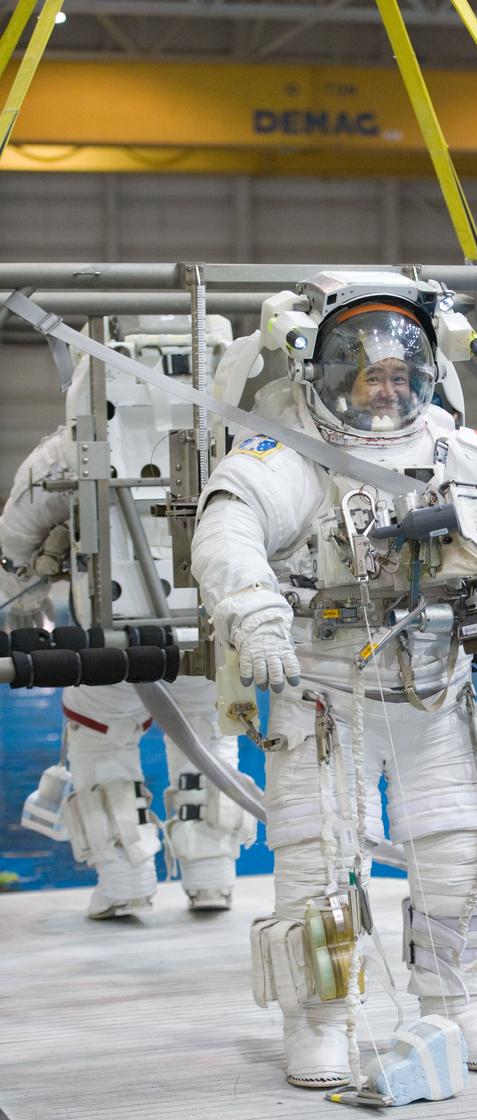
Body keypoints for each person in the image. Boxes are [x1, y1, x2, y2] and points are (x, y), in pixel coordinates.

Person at [191, 271, 477, 1089]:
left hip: (435, 690)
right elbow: (226, 532)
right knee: (320, 860)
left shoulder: (466, 456)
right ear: (329, 373)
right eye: (369, 373)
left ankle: (457, 1000)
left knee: (460, 850)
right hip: (323, 693)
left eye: (400, 372)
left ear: (424, 373)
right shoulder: (284, 455)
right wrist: (257, 615)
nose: (386, 388)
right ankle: (322, 1020)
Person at [0, 315, 256, 919]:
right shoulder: (237, 443)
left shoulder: (68, 449)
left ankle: (125, 881)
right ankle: (211, 877)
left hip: (107, 641)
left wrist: (27, 609)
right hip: (206, 634)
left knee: (102, 750)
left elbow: (15, 540)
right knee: (209, 744)